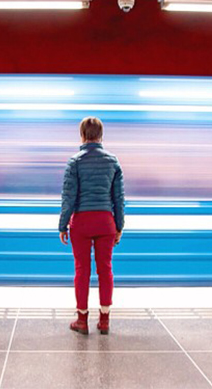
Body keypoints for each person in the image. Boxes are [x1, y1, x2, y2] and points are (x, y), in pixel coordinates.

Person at [58, 116, 125, 335]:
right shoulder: (113, 161)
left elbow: (69, 197)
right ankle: (104, 320)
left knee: (82, 271)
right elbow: (119, 198)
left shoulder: (75, 162)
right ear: (101, 135)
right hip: (106, 222)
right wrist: (119, 226)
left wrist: (62, 226)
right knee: (105, 269)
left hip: (82, 224)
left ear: (83, 135)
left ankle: (82, 320)